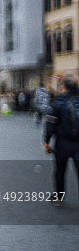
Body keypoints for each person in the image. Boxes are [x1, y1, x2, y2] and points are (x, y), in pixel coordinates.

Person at [43, 76, 79, 207]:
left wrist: (46, 141)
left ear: (63, 87)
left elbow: (50, 123)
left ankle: (59, 196)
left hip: (63, 142)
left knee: (60, 171)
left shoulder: (59, 101)